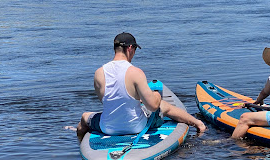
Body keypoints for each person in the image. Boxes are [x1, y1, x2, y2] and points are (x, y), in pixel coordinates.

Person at [76, 32, 205, 141]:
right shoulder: (135, 72)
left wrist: (135, 98)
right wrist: (156, 95)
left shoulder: (99, 73)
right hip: (136, 127)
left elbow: (110, 99)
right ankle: (198, 124)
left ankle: (81, 144)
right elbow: (153, 106)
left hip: (107, 128)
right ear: (130, 48)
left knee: (85, 117)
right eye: (135, 50)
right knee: (163, 106)